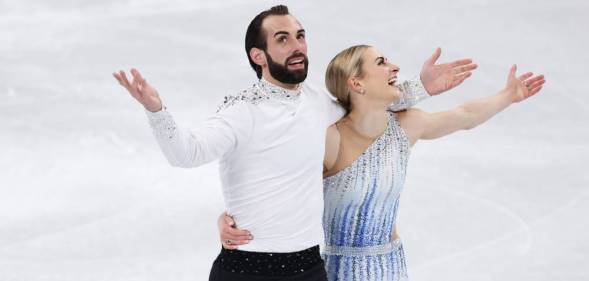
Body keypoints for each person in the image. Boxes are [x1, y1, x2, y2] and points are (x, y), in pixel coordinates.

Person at [112, 5, 477, 281]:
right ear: (259, 56)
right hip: (246, 268)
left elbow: (367, 103)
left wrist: (422, 87)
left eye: (300, 35)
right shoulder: (242, 111)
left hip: (307, 267)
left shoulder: (319, 103)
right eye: (282, 39)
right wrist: (156, 109)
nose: (297, 45)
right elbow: (186, 154)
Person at [220, 45, 544, 280]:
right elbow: (272, 181)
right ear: (356, 83)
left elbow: (465, 116)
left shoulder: (407, 125)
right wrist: (228, 217)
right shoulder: (330, 139)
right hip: (338, 271)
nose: (394, 68)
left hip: (391, 267)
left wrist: (508, 96)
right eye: (381, 62)